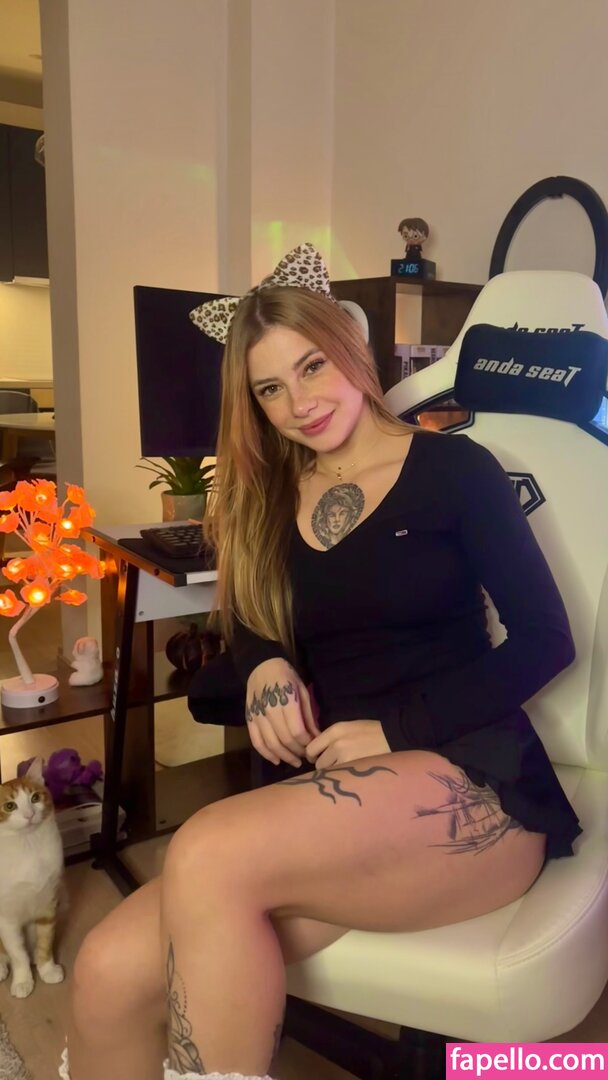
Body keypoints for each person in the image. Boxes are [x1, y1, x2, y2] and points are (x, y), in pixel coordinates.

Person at [61, 244, 581, 1080]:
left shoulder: (456, 470)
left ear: (350, 348)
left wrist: (394, 729)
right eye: (270, 389)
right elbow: (257, 618)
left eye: (310, 367)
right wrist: (265, 661)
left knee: (205, 849)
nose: (299, 403)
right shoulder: (266, 498)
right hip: (327, 803)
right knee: (103, 974)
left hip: (470, 776)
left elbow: (548, 639)